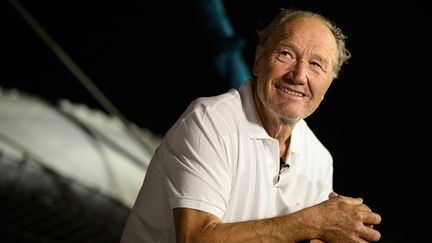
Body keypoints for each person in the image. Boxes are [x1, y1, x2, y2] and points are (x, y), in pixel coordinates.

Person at [120, 8, 382, 243]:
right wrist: (313, 223)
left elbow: (306, 233)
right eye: (286, 54)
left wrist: (327, 233)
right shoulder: (209, 122)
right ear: (258, 60)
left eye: (316, 64)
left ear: (329, 84)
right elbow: (194, 238)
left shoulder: (320, 159)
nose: (299, 75)